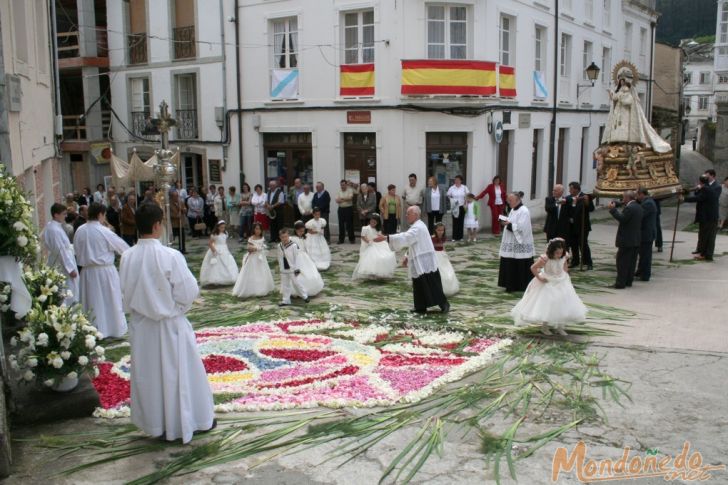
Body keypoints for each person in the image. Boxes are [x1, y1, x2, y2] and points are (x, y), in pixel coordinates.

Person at [119, 203, 215, 443]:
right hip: (170, 325)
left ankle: (156, 423)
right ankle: (187, 421)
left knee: (151, 376)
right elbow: (188, 290)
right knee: (178, 374)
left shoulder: (127, 256)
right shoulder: (170, 255)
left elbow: (124, 292)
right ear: (156, 225)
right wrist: (177, 309)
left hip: (142, 327)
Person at [374, 206, 449, 313]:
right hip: (419, 258)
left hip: (424, 260)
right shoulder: (417, 226)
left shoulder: (418, 227)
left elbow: (406, 237)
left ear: (415, 215)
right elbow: (412, 243)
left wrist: (386, 237)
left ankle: (444, 304)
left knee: (431, 283)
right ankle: (420, 307)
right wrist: (407, 256)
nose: (406, 215)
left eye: (408, 213)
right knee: (418, 283)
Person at [73, 203, 130, 338]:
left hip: (87, 271)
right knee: (110, 299)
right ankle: (113, 328)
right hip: (104, 271)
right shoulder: (104, 231)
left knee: (92, 300)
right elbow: (124, 249)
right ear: (100, 215)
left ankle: (93, 329)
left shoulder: (80, 230)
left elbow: (76, 250)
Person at [511, 238, 587, 336]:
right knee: (547, 304)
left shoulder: (564, 256)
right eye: (557, 253)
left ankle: (560, 326)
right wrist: (539, 278)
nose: (559, 255)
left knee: (563, 303)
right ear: (552, 251)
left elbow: (564, 266)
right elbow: (533, 268)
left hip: (561, 281)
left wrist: (565, 273)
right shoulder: (545, 258)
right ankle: (545, 326)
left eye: (560, 252)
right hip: (548, 281)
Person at [602, 76, 672, 153]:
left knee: (624, 127)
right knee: (617, 127)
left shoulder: (628, 93)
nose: (621, 83)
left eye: (623, 82)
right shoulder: (619, 92)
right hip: (618, 113)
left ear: (626, 84)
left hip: (625, 113)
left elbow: (628, 101)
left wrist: (621, 98)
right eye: (620, 81)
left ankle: (624, 141)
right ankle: (617, 141)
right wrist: (610, 93)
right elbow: (614, 98)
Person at [42, 203, 79, 305]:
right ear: (56, 215)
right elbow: (60, 251)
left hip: (63, 261)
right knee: (66, 291)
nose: (66, 216)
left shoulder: (55, 227)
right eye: (63, 214)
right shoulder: (54, 230)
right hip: (62, 265)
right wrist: (70, 269)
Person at [497, 192, 535, 293]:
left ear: (518, 200)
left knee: (519, 263)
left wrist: (508, 224)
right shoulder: (513, 209)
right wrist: (505, 220)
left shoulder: (524, 211)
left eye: (510, 200)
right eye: (508, 200)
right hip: (511, 241)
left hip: (520, 243)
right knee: (510, 262)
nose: (508, 202)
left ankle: (520, 285)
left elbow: (522, 227)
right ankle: (510, 284)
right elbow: (512, 221)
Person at [608, 190, 643, 289]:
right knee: (631, 263)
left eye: (623, 197)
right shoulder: (638, 206)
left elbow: (622, 219)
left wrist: (613, 210)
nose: (622, 199)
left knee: (622, 262)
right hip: (635, 239)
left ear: (628, 198)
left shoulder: (630, 208)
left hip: (626, 240)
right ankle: (628, 281)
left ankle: (620, 283)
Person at [232, 222, 274, 298]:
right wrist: (256, 248)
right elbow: (249, 248)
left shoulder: (262, 238)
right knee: (253, 272)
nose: (258, 231)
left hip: (261, 258)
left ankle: (262, 288)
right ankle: (251, 289)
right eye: (256, 229)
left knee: (262, 272)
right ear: (253, 229)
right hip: (253, 258)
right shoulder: (251, 238)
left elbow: (263, 246)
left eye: (259, 229)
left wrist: (263, 248)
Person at [683, 174, 720, 261]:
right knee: (707, 236)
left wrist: (684, 199)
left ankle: (705, 255)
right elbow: (699, 195)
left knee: (707, 237)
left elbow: (698, 198)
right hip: (709, 216)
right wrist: (697, 189)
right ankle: (706, 255)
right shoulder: (707, 188)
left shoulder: (706, 189)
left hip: (709, 217)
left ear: (700, 181)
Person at [352, 214, 397, 280]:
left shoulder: (377, 229)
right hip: (369, 244)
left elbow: (380, 236)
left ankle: (377, 271)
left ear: (377, 223)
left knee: (383, 255)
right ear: (370, 221)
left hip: (377, 244)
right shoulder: (365, 228)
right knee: (370, 257)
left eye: (375, 222)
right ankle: (369, 271)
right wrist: (369, 242)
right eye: (372, 221)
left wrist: (383, 238)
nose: (373, 223)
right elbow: (363, 237)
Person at [290, 221, 324, 297]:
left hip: (305, 257)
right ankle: (296, 290)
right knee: (298, 273)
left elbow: (306, 248)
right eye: (300, 231)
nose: (302, 232)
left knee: (310, 271)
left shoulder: (304, 238)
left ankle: (311, 288)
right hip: (297, 258)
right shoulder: (292, 239)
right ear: (296, 230)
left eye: (303, 231)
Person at [199, 221, 238, 287]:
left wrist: (227, 250)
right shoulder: (214, 235)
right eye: (221, 227)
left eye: (224, 227)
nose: (223, 229)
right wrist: (214, 251)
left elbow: (225, 242)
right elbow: (210, 243)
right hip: (217, 249)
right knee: (216, 264)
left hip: (224, 249)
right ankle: (215, 279)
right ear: (218, 227)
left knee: (227, 263)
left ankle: (228, 277)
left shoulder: (225, 233)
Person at [277, 228, 309, 306]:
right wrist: (280, 267)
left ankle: (305, 296)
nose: (284, 239)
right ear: (280, 237)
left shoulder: (293, 246)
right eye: (282, 237)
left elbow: (297, 258)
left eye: (286, 237)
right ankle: (286, 300)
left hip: (292, 269)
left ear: (289, 236)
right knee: (285, 285)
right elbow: (279, 257)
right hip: (284, 269)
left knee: (296, 283)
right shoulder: (279, 246)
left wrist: (297, 269)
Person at [566, 182, 594, 270]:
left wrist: (587, 202)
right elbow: (568, 209)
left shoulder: (585, 196)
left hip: (583, 226)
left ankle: (588, 262)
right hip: (572, 226)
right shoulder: (569, 197)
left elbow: (591, 208)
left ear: (576, 189)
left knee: (583, 245)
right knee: (573, 244)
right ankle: (575, 261)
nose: (570, 190)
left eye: (571, 189)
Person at [635, 188, 657, 282]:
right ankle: (640, 271)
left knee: (646, 256)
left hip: (646, 233)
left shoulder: (648, 203)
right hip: (645, 232)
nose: (637, 197)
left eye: (637, 195)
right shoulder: (647, 201)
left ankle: (645, 275)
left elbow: (640, 215)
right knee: (643, 254)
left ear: (641, 194)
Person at [431, 222, 459, 296]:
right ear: (435, 230)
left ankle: (449, 288)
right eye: (439, 230)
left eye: (442, 230)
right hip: (435, 256)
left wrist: (445, 253)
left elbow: (442, 246)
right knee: (439, 272)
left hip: (442, 256)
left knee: (447, 271)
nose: (441, 232)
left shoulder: (443, 238)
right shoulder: (432, 238)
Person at [447, 175, 469, 242]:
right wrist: (451, 200)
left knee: (461, 221)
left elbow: (467, 195)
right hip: (454, 206)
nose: (456, 181)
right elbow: (448, 195)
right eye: (455, 179)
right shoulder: (452, 188)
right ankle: (454, 237)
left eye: (458, 179)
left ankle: (460, 237)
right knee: (455, 221)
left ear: (461, 180)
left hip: (462, 206)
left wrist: (465, 202)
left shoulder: (464, 187)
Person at [336, 180, 356, 244]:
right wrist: (345, 199)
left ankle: (352, 239)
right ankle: (341, 239)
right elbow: (337, 200)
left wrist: (341, 199)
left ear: (346, 185)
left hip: (348, 209)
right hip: (341, 209)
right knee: (341, 225)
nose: (342, 186)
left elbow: (350, 198)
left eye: (343, 185)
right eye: (341, 185)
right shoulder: (338, 191)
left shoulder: (350, 190)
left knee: (349, 224)